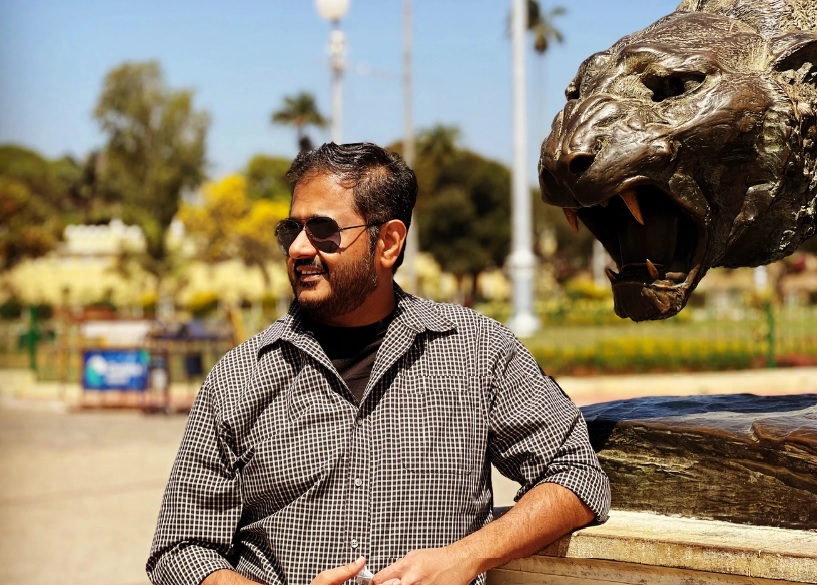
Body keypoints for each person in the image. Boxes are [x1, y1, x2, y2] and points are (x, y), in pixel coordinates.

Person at [147, 142, 610, 585]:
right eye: (292, 230)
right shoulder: (238, 376)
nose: (299, 249)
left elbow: (578, 475)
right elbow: (178, 549)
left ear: (388, 242)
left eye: (323, 230)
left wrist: (466, 557)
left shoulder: (478, 351)